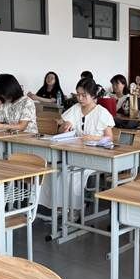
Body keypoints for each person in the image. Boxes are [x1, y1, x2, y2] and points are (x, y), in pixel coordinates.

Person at [40, 78, 115, 213]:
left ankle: (73, 209)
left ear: (93, 96)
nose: (80, 98)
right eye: (78, 94)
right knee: (52, 172)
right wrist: (64, 127)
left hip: (95, 157)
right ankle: (56, 205)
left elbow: (109, 138)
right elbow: (60, 131)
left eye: (84, 95)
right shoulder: (75, 109)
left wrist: (93, 138)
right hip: (75, 154)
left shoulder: (102, 112)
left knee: (71, 175)